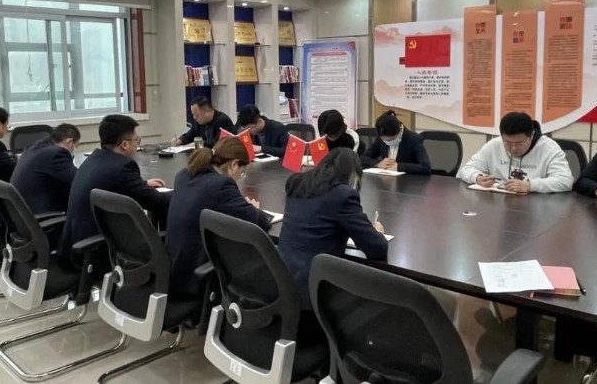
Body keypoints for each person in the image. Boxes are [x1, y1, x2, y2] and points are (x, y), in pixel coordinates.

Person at [278, 148, 388, 307]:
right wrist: (376, 232)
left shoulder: (297, 183)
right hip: (315, 290)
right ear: (353, 174)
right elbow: (376, 248)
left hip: (282, 280)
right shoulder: (343, 194)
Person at [166, 137, 272, 297]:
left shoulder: (184, 175)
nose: (239, 177)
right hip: (196, 279)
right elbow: (259, 222)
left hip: (174, 269)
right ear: (234, 164)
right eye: (241, 172)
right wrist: (253, 208)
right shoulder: (221, 185)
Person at [58, 114, 171, 260]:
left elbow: (115, 183)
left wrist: (142, 184)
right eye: (137, 141)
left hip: (75, 247)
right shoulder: (123, 167)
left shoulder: (94, 159)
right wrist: (184, 193)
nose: (137, 145)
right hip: (98, 252)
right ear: (124, 145)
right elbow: (156, 201)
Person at [457, 111, 573, 193]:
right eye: (507, 142)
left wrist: (530, 186)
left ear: (531, 135)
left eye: (519, 143)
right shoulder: (494, 145)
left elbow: (565, 181)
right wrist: (477, 177)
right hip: (500, 204)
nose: (513, 148)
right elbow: (466, 169)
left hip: (536, 207)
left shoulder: (549, 148)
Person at [10, 123, 81, 215]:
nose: (74, 149)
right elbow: (78, 181)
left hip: (22, 212)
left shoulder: (35, 147)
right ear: (69, 142)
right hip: (40, 215)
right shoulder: (56, 154)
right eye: (76, 145)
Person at [362, 110, 431, 175]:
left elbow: (425, 167)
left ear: (399, 131)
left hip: (407, 180)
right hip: (385, 179)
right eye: (385, 140)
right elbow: (363, 158)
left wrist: (398, 166)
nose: (388, 142)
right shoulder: (381, 136)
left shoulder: (414, 139)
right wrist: (378, 163)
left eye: (391, 140)